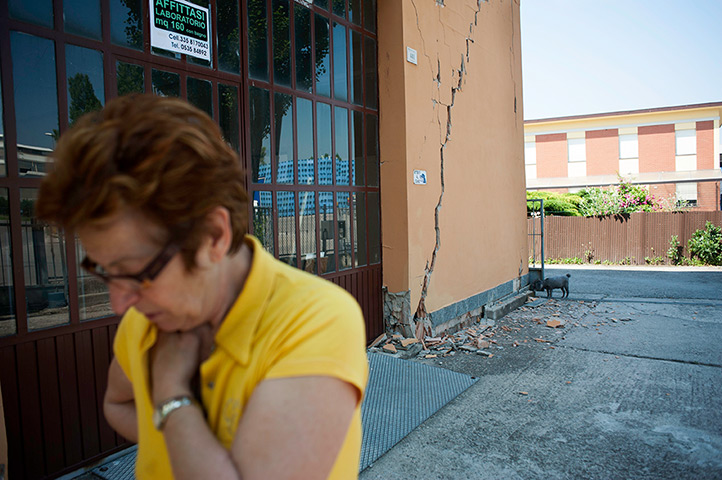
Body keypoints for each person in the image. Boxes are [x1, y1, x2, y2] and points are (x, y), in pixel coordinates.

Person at [36, 94, 368, 479]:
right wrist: (184, 444)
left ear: (213, 236)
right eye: (106, 271)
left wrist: (171, 394)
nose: (118, 303)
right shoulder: (147, 318)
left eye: (134, 271)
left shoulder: (315, 320)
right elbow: (118, 404)